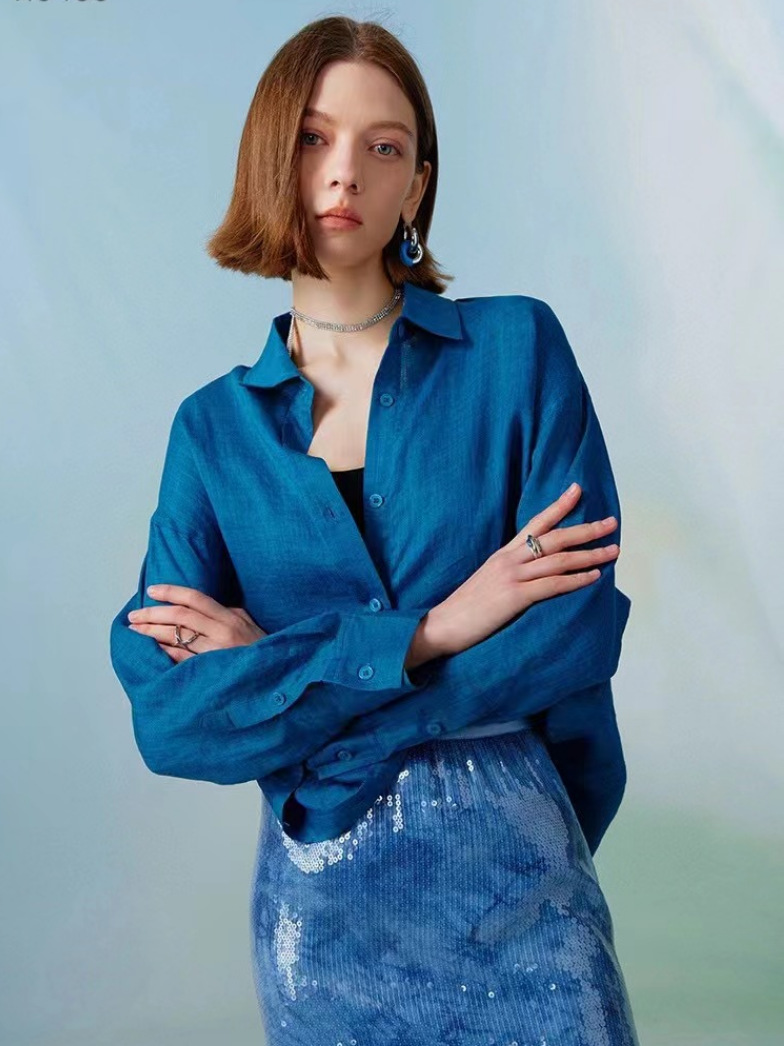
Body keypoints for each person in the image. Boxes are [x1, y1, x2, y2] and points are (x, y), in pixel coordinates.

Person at [109, 15, 639, 1045]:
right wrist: (434, 630)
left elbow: (573, 633)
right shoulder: (211, 435)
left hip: (526, 895)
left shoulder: (517, 350)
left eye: (383, 146)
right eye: (314, 138)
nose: (345, 171)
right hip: (323, 927)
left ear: (417, 185)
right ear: (270, 156)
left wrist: (294, 685)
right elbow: (173, 721)